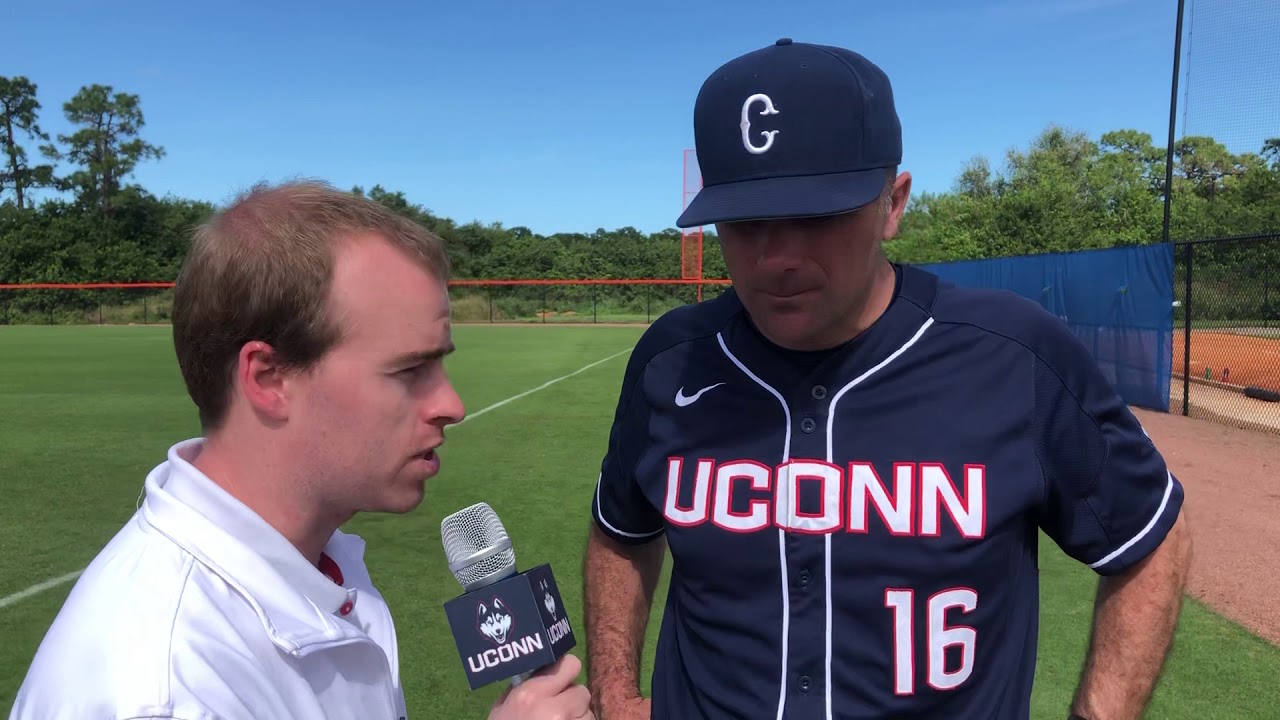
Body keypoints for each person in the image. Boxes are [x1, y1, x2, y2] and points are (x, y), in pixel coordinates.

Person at [583, 39, 1192, 720]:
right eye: (747, 220)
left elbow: (1149, 537)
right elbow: (621, 530)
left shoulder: (1015, 357)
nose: (777, 256)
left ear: (893, 203)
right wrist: (614, 693)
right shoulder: (675, 358)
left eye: (817, 215)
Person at [10, 181, 594, 720]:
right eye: (411, 368)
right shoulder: (168, 691)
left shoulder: (320, 559)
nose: (452, 403)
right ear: (269, 379)